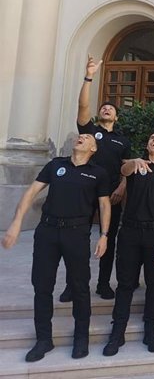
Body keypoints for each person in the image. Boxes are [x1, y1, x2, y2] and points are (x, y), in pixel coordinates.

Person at [2, 134, 111, 362]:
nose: (81, 137)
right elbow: (32, 192)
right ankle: (44, 339)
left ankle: (81, 338)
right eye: (80, 135)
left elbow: (104, 204)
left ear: (94, 148)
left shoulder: (98, 173)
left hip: (77, 233)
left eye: (87, 137)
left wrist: (104, 235)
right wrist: (16, 222)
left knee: (80, 287)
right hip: (48, 232)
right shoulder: (55, 165)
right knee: (42, 286)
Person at [102, 132, 154, 356]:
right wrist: (133, 163)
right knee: (125, 284)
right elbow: (123, 171)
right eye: (151, 138)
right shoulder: (136, 167)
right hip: (130, 233)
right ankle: (117, 332)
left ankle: (151, 331)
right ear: (147, 145)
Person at [65, 55, 131, 302]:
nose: (106, 109)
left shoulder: (122, 140)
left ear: (116, 117)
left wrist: (123, 186)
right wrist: (89, 76)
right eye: (104, 107)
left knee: (108, 237)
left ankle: (104, 284)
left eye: (111, 109)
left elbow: (126, 167)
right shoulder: (90, 131)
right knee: (77, 238)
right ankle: (73, 285)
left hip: (110, 193)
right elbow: (83, 107)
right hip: (83, 189)